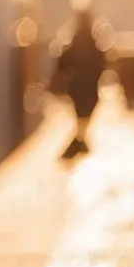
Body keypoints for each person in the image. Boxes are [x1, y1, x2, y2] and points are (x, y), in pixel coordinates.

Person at [57, 10, 105, 158]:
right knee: (85, 113)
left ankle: (79, 139)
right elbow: (101, 63)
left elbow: (63, 62)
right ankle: (80, 139)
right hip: (88, 85)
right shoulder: (92, 42)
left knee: (81, 113)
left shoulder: (75, 41)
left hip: (78, 86)